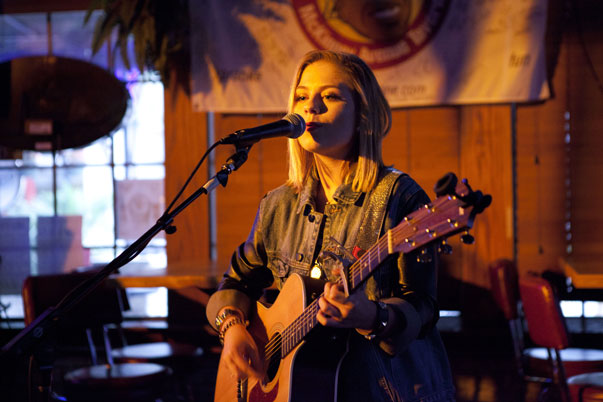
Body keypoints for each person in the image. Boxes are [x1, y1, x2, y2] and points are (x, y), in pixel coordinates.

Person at [206, 49, 456, 401]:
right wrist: (232, 327)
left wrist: (373, 316)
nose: (311, 107)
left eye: (330, 96)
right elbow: (236, 281)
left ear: (363, 115)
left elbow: (424, 309)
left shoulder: (399, 197)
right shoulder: (277, 205)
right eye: (302, 96)